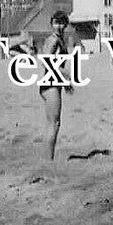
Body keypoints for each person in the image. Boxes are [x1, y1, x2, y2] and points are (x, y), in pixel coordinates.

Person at [38, 11, 78, 161]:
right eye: (56, 23)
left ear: (66, 25)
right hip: (51, 85)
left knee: (51, 123)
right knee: (54, 124)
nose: (59, 26)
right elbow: (46, 62)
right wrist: (66, 75)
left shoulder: (57, 39)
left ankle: (47, 159)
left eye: (61, 23)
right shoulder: (53, 40)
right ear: (51, 24)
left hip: (51, 84)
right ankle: (48, 161)